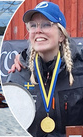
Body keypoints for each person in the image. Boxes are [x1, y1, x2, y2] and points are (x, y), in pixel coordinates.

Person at [6, 2, 83, 136]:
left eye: (46, 24)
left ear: (61, 35)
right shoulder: (18, 75)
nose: (38, 30)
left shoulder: (80, 73)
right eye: (33, 25)